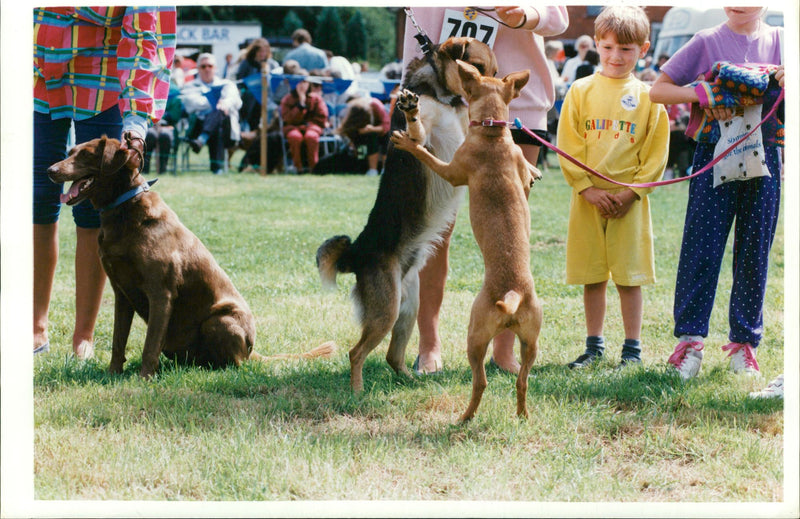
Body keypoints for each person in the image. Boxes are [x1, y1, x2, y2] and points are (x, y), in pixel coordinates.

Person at [402, 6, 569, 375]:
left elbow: (558, 17)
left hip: (513, 103)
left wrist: (526, 13)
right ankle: (429, 345)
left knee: (511, 234)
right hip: (438, 100)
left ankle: (505, 349)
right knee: (436, 230)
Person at [649, 7, 784, 380]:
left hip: (765, 154)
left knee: (755, 250)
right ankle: (690, 344)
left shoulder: (782, 41)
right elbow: (656, 91)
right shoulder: (706, 40)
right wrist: (700, 93)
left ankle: (744, 346)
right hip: (715, 152)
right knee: (701, 248)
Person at [33, 6, 176, 358]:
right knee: (37, 199)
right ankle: (34, 327)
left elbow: (145, 40)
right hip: (40, 77)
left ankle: (84, 336)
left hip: (104, 82)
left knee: (94, 208)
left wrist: (136, 123)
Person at [557, 5, 669, 369]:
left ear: (643, 49)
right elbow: (568, 144)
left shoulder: (651, 98)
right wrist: (586, 188)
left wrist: (631, 193)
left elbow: (655, 154)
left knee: (628, 277)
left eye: (626, 49)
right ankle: (593, 347)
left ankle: (632, 351)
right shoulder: (580, 90)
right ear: (596, 46)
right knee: (592, 275)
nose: (616, 56)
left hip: (629, 203)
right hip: (587, 200)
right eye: (607, 48)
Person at [182, 53, 243, 175]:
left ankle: (202, 139)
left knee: (220, 115)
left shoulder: (227, 84)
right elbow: (192, 103)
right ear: (198, 69)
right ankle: (217, 168)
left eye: (210, 66)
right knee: (218, 115)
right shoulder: (189, 86)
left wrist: (225, 102)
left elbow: (237, 101)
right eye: (203, 66)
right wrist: (217, 102)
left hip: (226, 130)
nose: (207, 69)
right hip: (197, 127)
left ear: (215, 68)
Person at [280, 76, 329, 173]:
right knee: (294, 137)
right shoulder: (288, 99)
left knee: (311, 137)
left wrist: (308, 126)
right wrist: (300, 104)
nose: (302, 86)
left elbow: (322, 117)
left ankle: (314, 168)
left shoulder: (316, 99)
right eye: (300, 83)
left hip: (312, 127)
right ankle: (298, 168)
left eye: (304, 83)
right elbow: (287, 118)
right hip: (293, 127)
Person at [335, 95, 390, 176]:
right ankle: (362, 167)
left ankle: (384, 170)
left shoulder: (376, 105)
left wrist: (372, 129)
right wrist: (350, 143)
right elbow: (343, 130)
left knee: (385, 139)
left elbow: (387, 126)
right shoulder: (352, 109)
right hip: (361, 136)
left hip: (381, 133)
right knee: (362, 147)